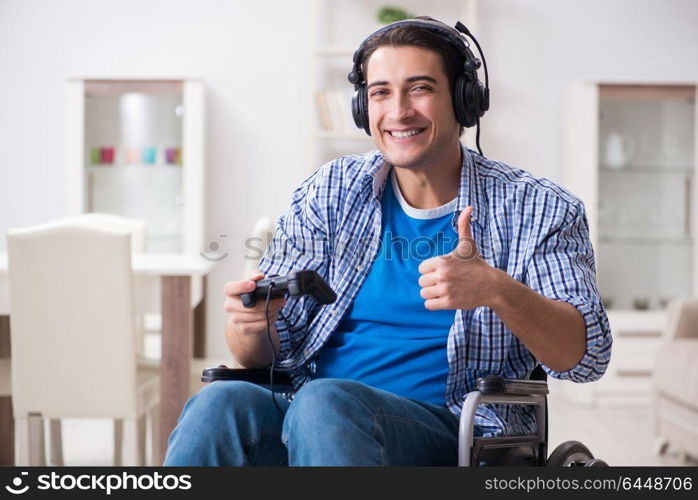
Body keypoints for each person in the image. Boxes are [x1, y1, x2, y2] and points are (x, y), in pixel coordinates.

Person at [164, 17, 612, 466]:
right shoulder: (331, 191)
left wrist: (496, 289)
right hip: (308, 416)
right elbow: (263, 353)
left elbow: (585, 356)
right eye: (380, 92)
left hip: (449, 432)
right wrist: (251, 328)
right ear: (363, 108)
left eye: (420, 88)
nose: (398, 111)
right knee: (216, 404)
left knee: (327, 404)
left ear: (464, 100)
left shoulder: (538, 207)